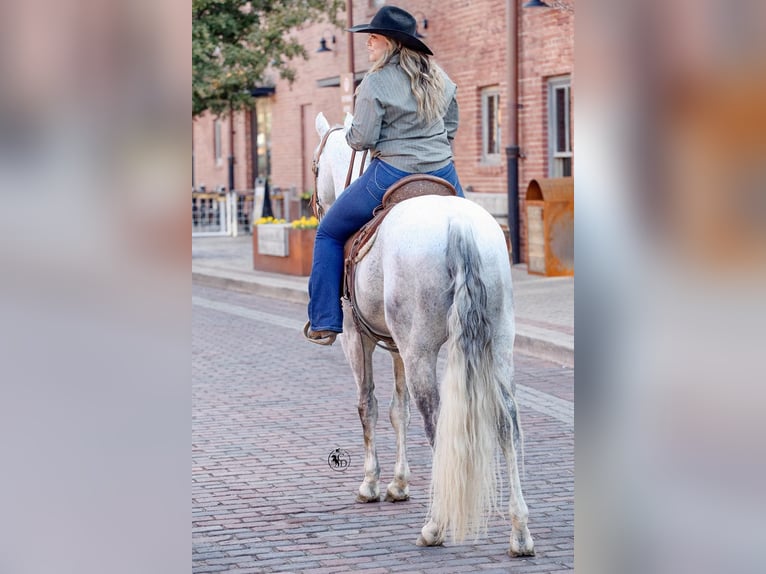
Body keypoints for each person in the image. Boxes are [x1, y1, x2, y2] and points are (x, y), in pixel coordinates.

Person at [304, 5, 465, 345]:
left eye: (373, 38)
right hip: (443, 172)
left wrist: (351, 135)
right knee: (470, 235)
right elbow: (451, 125)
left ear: (390, 43)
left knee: (329, 232)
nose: (368, 44)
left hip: (391, 173)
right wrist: (433, 147)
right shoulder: (440, 77)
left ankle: (324, 320)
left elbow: (361, 138)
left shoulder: (375, 82)